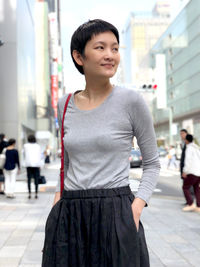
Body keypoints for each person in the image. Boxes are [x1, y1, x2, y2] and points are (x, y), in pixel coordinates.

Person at [42, 19, 160, 267]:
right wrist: (57, 201)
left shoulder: (131, 101)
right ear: (78, 56)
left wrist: (136, 208)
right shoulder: (64, 104)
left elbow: (152, 163)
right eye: (100, 47)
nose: (110, 55)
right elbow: (69, 162)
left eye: (115, 48)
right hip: (70, 212)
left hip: (116, 211)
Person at [182, 134, 200, 212]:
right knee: (197, 189)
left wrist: (185, 171)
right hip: (198, 172)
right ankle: (198, 206)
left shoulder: (189, 148)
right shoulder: (197, 148)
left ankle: (190, 204)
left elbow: (188, 161)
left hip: (192, 172)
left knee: (185, 187)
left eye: (185, 139)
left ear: (186, 140)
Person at [23, 135, 41, 199]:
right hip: (36, 165)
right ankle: (36, 193)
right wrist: (40, 165)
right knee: (36, 179)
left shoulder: (25, 146)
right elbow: (39, 156)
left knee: (29, 179)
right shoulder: (38, 146)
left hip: (28, 164)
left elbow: (24, 154)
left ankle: (29, 194)